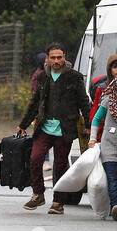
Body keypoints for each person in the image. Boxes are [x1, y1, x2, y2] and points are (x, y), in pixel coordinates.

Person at [17, 42, 91, 215]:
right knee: (35, 159)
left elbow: (84, 103)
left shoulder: (75, 77)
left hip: (65, 129)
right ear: (48, 59)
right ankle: (38, 194)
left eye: (59, 57)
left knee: (60, 165)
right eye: (53, 58)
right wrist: (23, 124)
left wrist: (88, 126)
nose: (56, 61)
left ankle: (58, 202)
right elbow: (34, 102)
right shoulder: (43, 77)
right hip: (44, 127)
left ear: (64, 57)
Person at [88, 55, 117, 221]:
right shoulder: (108, 98)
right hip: (109, 145)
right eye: (115, 67)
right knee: (113, 178)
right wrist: (92, 139)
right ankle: (116, 206)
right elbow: (97, 119)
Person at [31, 52, 52, 172]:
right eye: (45, 61)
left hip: (48, 110)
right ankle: (44, 160)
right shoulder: (38, 76)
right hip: (40, 112)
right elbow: (35, 96)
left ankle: (45, 160)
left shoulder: (48, 74)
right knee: (43, 136)